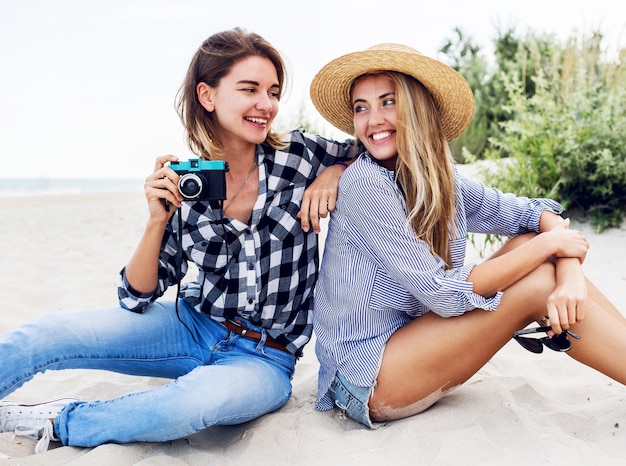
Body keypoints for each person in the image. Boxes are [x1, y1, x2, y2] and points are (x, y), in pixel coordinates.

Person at [0, 27, 357, 453]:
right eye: (250, 89)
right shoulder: (187, 181)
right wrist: (156, 220)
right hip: (189, 326)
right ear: (208, 96)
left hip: (263, 358)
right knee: (46, 333)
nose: (267, 104)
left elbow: (376, 151)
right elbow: (136, 296)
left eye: (273, 91)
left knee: (186, 405)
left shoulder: (301, 156)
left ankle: (60, 421)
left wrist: (337, 171)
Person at [308, 43, 626, 428]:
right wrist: (552, 248)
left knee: (531, 246)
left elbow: (529, 214)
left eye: (388, 102)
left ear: (416, 107)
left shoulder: (441, 178)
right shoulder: (364, 184)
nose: (373, 119)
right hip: (365, 375)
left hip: (417, 343)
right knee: (539, 275)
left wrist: (569, 271)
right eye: (361, 107)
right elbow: (442, 293)